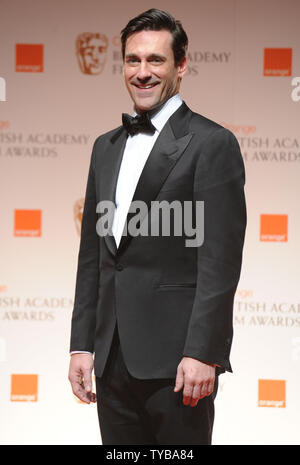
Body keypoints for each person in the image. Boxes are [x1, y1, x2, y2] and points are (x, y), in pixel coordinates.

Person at [68, 8, 246, 445]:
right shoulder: (104, 147)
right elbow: (94, 256)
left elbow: (219, 262)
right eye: (133, 60)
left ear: (181, 65)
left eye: (156, 61)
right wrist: (81, 344)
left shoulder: (212, 143)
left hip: (178, 364)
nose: (142, 73)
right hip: (111, 360)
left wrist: (204, 352)